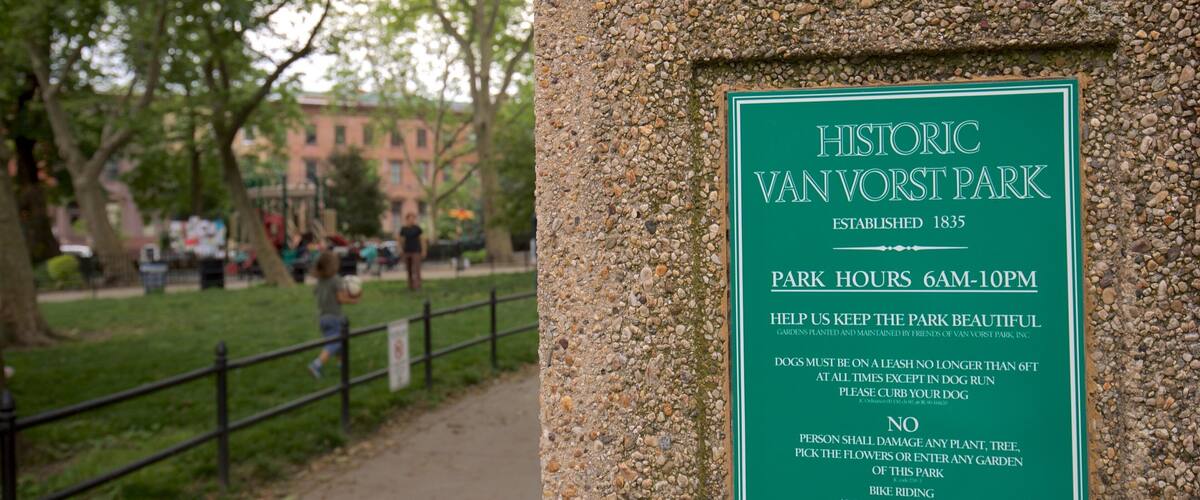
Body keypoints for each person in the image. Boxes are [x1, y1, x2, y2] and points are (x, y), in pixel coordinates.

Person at [307, 251, 358, 378]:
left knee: (337, 343)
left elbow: (316, 293)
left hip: (322, 318)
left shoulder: (319, 281)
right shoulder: (336, 280)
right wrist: (353, 299)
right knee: (334, 343)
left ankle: (341, 364)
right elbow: (341, 299)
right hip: (334, 317)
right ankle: (316, 364)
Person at [398, 213, 426, 290]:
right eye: (410, 218)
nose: (412, 220)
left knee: (417, 269)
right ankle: (410, 286)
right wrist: (400, 249)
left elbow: (422, 240)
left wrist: (423, 250)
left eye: (413, 218)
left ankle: (417, 286)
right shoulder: (403, 229)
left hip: (416, 251)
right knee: (409, 269)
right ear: (407, 219)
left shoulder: (417, 229)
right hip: (407, 251)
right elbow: (400, 240)